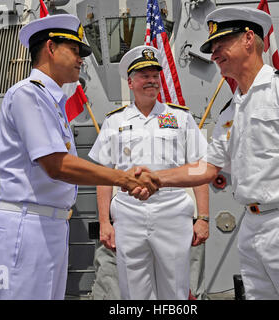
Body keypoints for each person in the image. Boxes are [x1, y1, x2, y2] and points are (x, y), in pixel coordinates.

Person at [150, 6, 279, 299]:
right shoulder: (230, 110)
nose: (214, 53)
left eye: (221, 44)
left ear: (249, 38)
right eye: (212, 48)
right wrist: (155, 178)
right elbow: (207, 169)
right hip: (253, 229)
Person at [0, 14, 159, 300]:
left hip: (50, 227)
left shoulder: (52, 102)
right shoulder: (28, 95)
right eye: (75, 51)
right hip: (26, 229)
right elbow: (57, 165)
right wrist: (123, 178)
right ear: (51, 48)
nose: (81, 59)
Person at [88, 45, 209, 299]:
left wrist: (203, 218)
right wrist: (104, 223)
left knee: (175, 288)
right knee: (133, 290)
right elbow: (103, 175)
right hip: (128, 214)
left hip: (173, 211)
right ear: (130, 82)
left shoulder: (180, 118)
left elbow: (199, 168)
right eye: (145, 76)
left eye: (155, 75)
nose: (152, 81)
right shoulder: (114, 121)